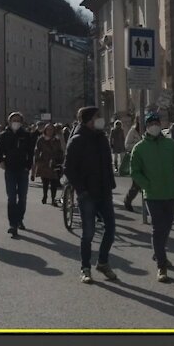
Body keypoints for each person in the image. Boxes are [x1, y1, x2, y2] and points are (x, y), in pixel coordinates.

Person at [64, 106, 119, 284]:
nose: (100, 119)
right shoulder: (77, 140)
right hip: (87, 194)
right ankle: (85, 268)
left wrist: (110, 183)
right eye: (97, 117)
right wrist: (81, 190)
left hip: (104, 192)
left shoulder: (102, 138)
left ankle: (102, 262)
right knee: (88, 233)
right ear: (89, 120)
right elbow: (69, 169)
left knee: (110, 229)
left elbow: (107, 164)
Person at [130, 112, 174, 283]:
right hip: (152, 195)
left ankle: (158, 252)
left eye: (156, 122)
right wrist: (146, 185)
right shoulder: (139, 148)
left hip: (170, 192)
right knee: (157, 228)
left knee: (167, 226)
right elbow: (135, 171)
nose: (154, 125)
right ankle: (162, 265)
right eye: (151, 123)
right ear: (146, 126)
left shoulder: (170, 144)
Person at [0, 111, 37, 238]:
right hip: (10, 170)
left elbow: (31, 152)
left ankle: (19, 219)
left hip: (22, 169)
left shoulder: (26, 135)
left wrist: (28, 166)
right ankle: (13, 224)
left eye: (18, 120)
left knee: (22, 197)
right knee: (12, 197)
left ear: (22, 122)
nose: (16, 122)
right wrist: (1, 161)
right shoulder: (4, 135)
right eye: (14, 120)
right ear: (9, 122)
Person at [33, 123, 64, 207]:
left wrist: (60, 159)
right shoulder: (41, 139)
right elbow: (37, 150)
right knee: (45, 182)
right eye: (48, 129)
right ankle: (45, 196)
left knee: (54, 182)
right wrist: (37, 159)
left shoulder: (56, 140)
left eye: (51, 129)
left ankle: (53, 199)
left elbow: (60, 150)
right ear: (45, 130)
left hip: (54, 163)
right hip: (44, 163)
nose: (50, 131)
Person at [122, 116, 143, 212]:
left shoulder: (148, 129)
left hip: (148, 159)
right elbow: (127, 145)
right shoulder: (133, 130)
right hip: (137, 160)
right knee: (137, 183)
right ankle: (127, 201)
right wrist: (137, 145)